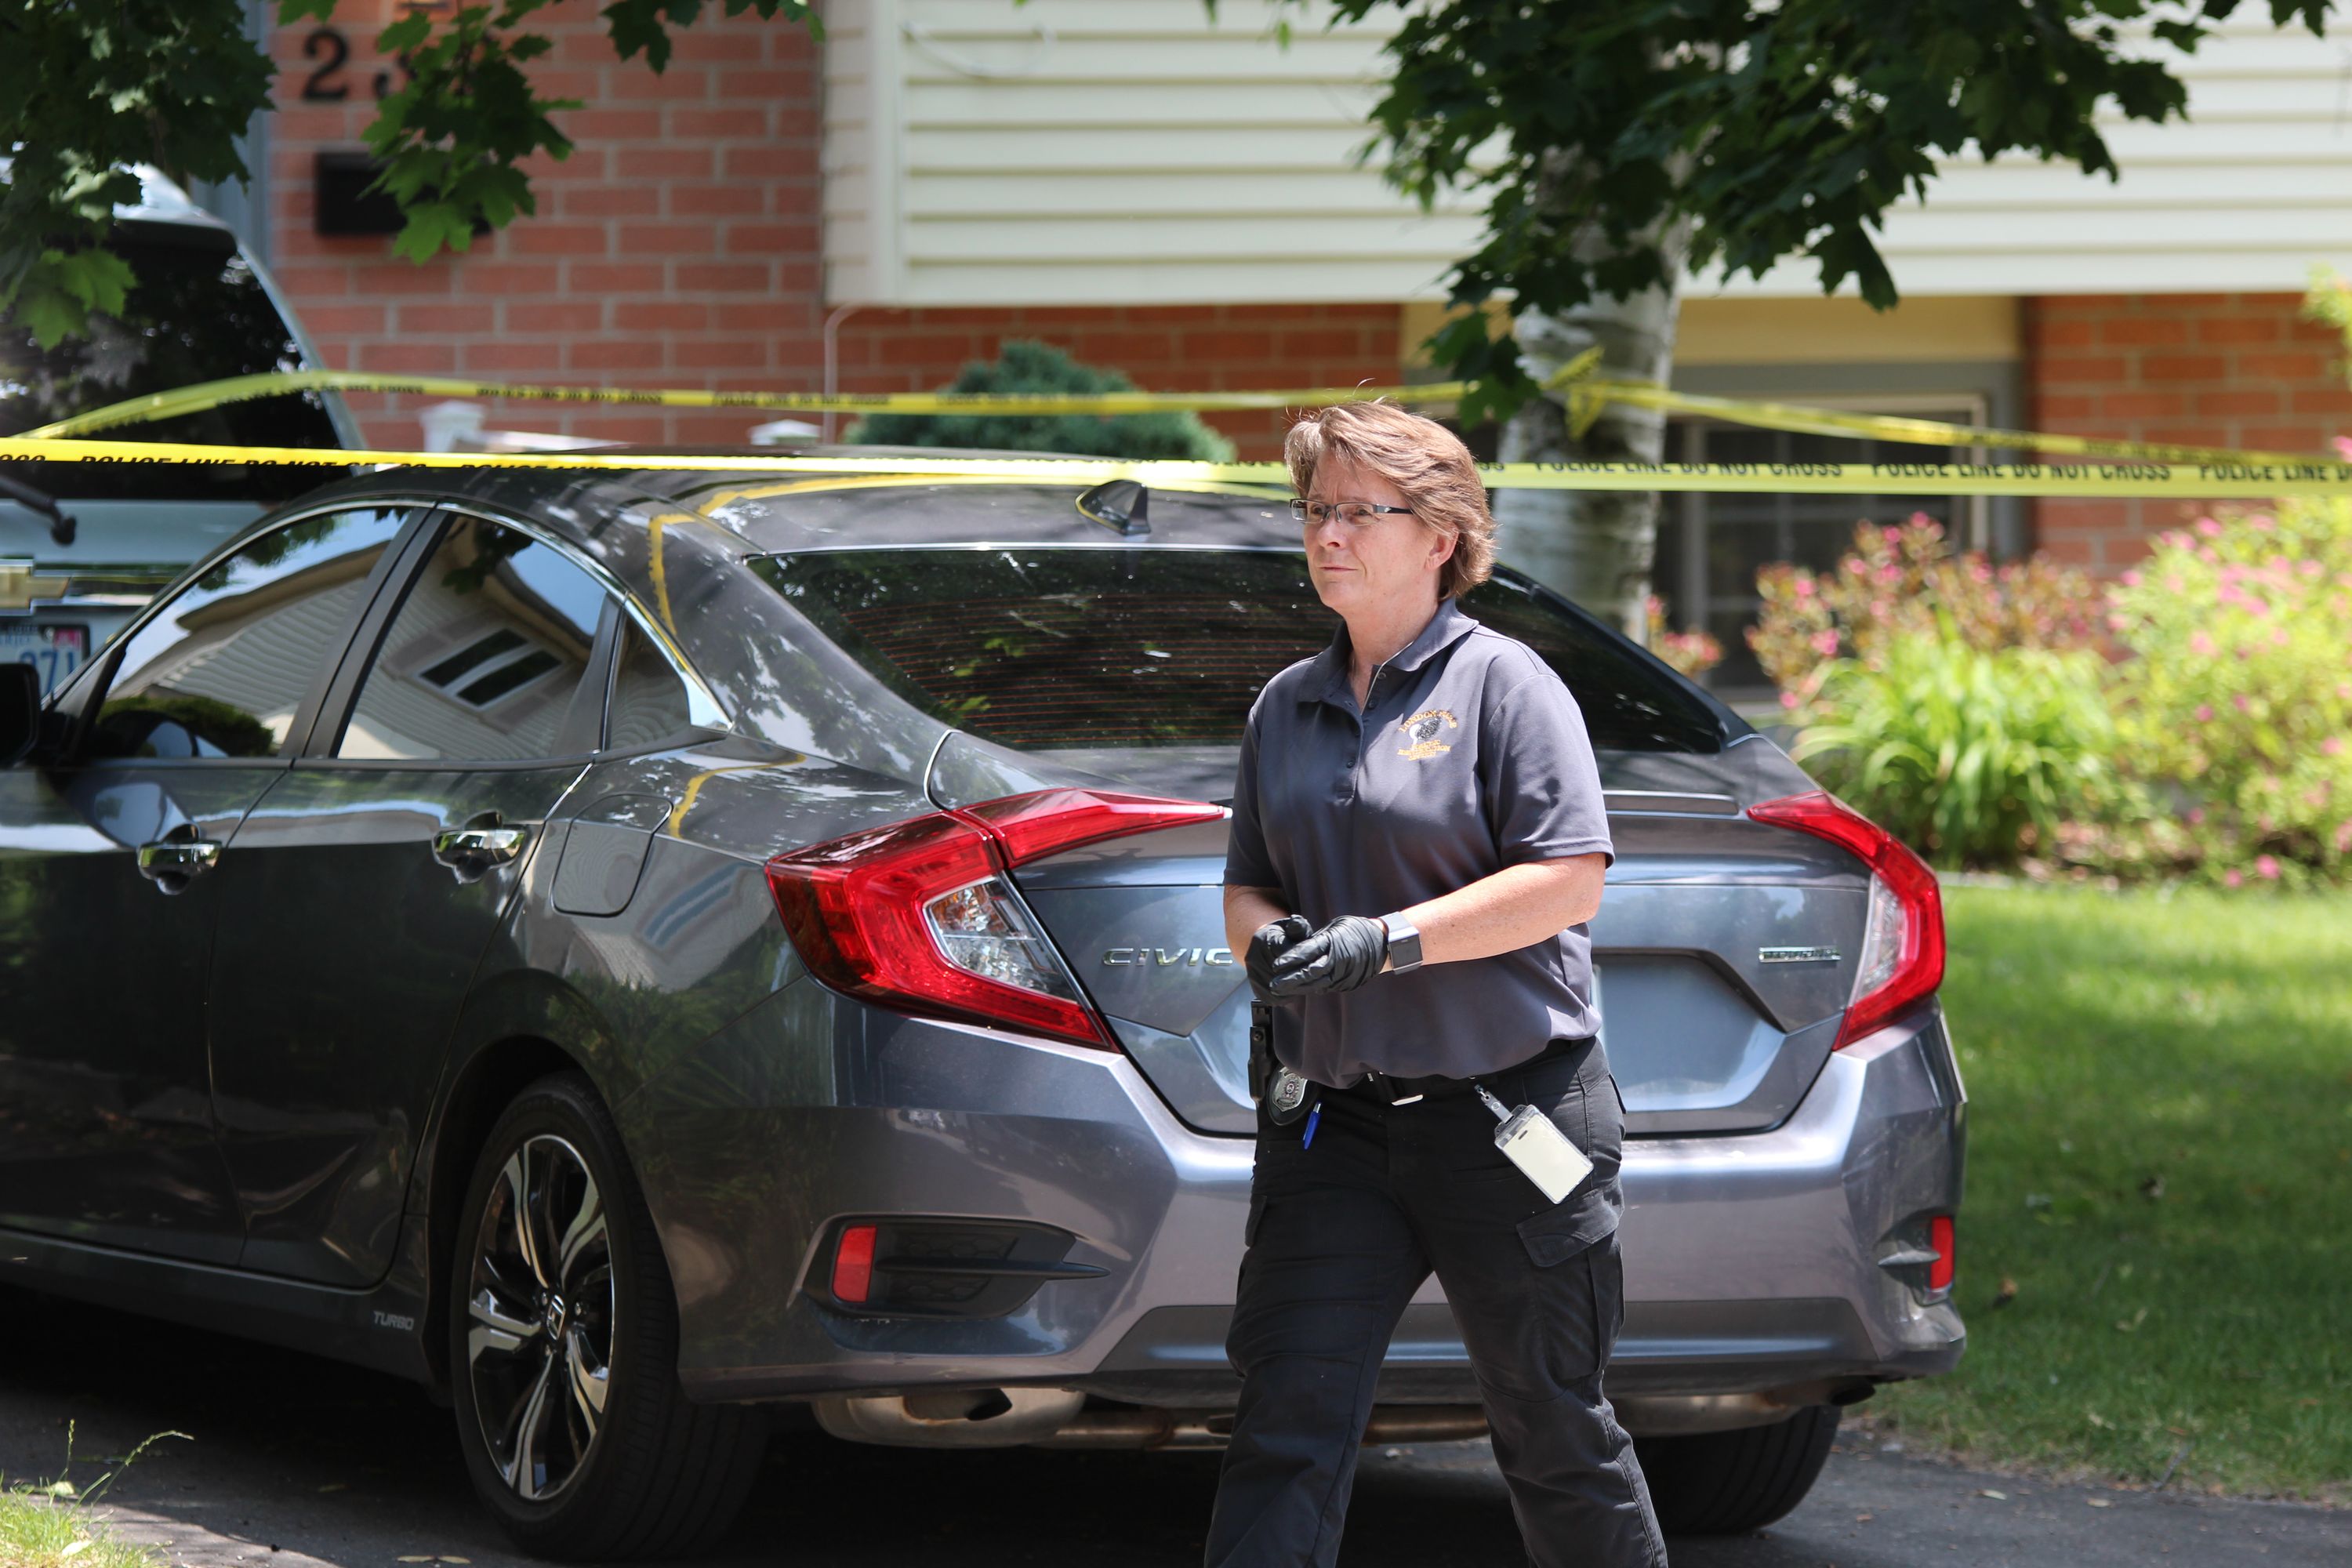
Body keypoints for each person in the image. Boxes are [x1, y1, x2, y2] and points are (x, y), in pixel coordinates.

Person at [1207, 401, 1667, 1568]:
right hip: (1337, 1130)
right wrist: (1267, 948)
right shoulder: (1284, 707)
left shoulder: (1506, 687)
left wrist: (1385, 942)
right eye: (1319, 511)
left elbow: (1568, 883)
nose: (1332, 535)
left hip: (1507, 1118)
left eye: (1366, 511)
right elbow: (1250, 886)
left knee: (1553, 1427)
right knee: (1283, 1427)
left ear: (1443, 534)